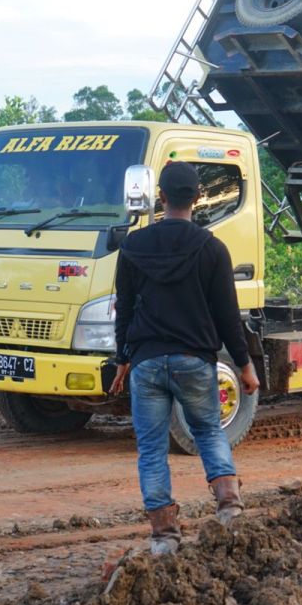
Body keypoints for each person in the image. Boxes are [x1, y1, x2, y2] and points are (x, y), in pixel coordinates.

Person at [110, 161, 261, 555]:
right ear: (198, 198)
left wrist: (123, 359)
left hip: (145, 363)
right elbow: (228, 316)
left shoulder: (132, 248)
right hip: (195, 360)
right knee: (209, 431)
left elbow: (124, 310)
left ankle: (163, 537)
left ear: (160, 198)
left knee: (152, 449)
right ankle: (230, 511)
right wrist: (245, 366)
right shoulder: (212, 249)